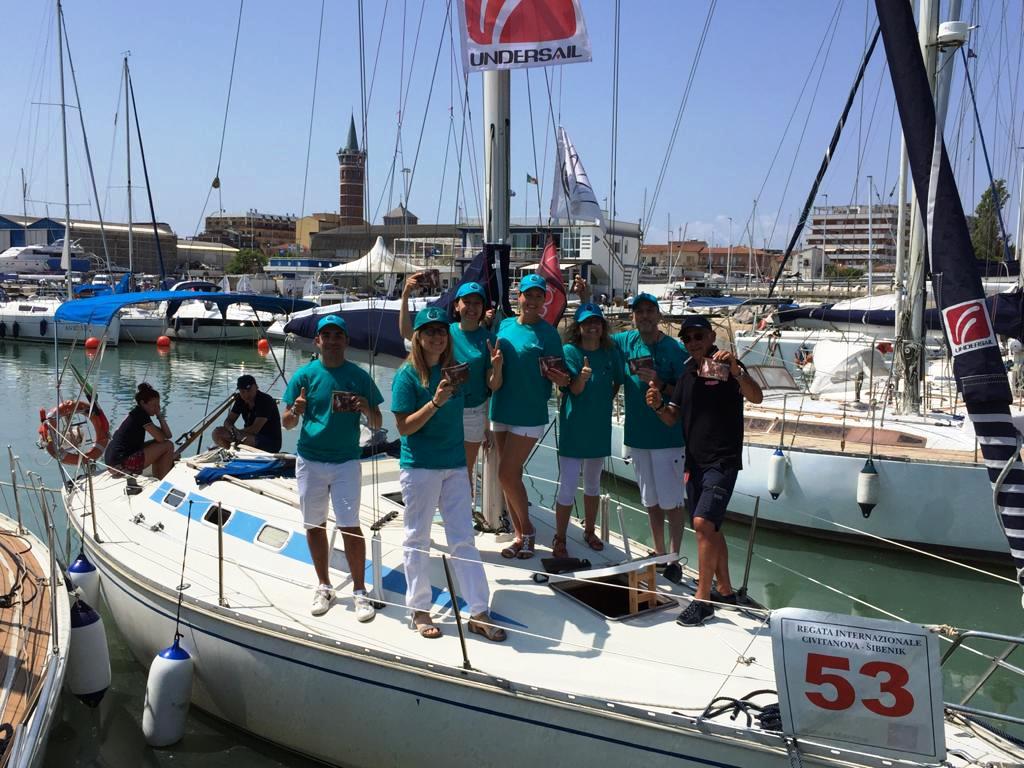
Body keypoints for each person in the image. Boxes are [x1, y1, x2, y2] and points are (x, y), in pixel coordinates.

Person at [391, 306, 506, 642]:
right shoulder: (407, 376)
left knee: (463, 538)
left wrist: (483, 426)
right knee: (418, 537)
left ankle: (479, 611)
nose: (437, 337)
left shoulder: (456, 371)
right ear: (418, 337)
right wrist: (436, 402)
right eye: (430, 332)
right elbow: (403, 428)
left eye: (441, 331)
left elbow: (470, 406)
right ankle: (419, 609)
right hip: (420, 467)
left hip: (455, 465)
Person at [646, 315, 763, 626]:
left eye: (699, 336)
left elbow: (757, 397)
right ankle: (724, 589)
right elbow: (673, 417)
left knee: (700, 523)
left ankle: (703, 600)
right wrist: (657, 405)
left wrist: (737, 371)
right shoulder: (687, 374)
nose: (694, 342)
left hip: (722, 461)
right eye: (688, 338)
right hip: (694, 463)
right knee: (711, 528)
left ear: (711, 337)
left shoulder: (727, 367)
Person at [282, 315, 384, 619]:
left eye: (338, 335)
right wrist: (295, 412)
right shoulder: (304, 375)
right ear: (317, 342)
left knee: (350, 525)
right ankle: (324, 585)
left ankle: (359, 590)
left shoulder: (359, 376)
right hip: (310, 460)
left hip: (346, 461)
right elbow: (286, 423)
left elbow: (378, 422)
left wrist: (366, 407)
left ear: (346, 341)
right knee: (314, 525)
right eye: (326, 335)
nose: (332, 340)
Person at [491, 273, 570, 559]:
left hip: (530, 413)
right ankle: (517, 535)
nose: (533, 301)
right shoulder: (505, 325)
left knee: (506, 473)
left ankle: (528, 531)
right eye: (529, 295)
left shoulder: (548, 333)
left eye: (539, 296)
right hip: (500, 408)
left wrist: (561, 377)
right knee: (508, 477)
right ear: (519, 297)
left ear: (544, 301)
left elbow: (560, 374)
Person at [612, 293, 689, 582]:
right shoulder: (625, 342)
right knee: (651, 500)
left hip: (667, 436)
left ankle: (674, 557)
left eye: (649, 310)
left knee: (673, 502)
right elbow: (596, 336)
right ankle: (658, 553)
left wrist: (659, 382)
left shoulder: (674, 349)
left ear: (658, 315)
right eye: (639, 311)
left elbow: (684, 391)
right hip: (638, 435)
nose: (644, 315)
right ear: (633, 316)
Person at [399, 279, 503, 487]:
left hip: (472, 412)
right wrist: (405, 297)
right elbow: (408, 334)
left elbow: (492, 385)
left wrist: (497, 366)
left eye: (477, 303)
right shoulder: (446, 332)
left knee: (465, 470)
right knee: (439, 469)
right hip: (442, 407)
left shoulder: (489, 339)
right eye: (467, 302)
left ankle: (464, 513)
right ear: (457, 305)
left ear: (483, 308)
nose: (472, 308)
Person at [552, 303, 622, 557]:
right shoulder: (569, 351)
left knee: (593, 485)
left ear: (602, 327)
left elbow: (617, 382)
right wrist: (581, 377)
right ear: (578, 327)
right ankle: (560, 537)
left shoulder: (610, 353)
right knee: (568, 486)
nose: (592, 327)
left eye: (597, 322)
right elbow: (574, 389)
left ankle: (590, 531)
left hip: (599, 430)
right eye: (586, 323)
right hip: (574, 429)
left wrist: (604, 400)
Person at [104, 383, 176, 479]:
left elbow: (167, 435)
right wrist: (159, 417)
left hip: (113, 463)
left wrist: (159, 416)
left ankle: (158, 476)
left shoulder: (137, 413)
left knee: (162, 443)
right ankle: (161, 479)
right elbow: (162, 439)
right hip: (120, 465)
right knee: (168, 445)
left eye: (158, 405)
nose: (157, 408)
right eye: (154, 405)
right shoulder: (141, 415)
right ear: (142, 403)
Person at [213, 375, 283, 453]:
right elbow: (228, 421)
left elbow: (255, 429)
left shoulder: (266, 401)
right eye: (242, 391)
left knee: (239, 436)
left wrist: (236, 433)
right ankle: (232, 453)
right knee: (217, 433)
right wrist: (231, 429)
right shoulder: (240, 399)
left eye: (249, 390)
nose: (246, 395)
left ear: (256, 387)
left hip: (269, 442)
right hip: (246, 436)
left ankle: (236, 450)